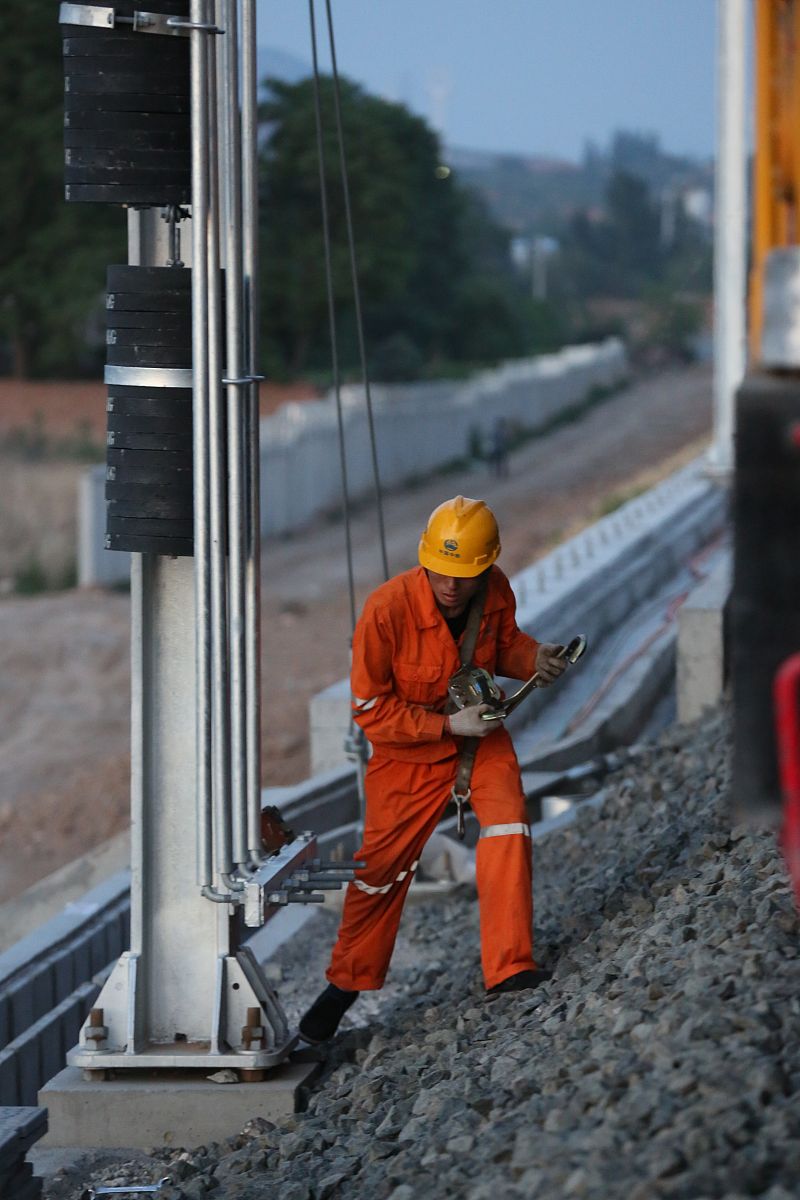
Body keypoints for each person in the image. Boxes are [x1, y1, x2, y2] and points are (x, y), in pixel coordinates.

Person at [298, 495, 567, 1044]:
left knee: (510, 823)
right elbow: (370, 711)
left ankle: (510, 966)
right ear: (425, 560)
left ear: (486, 567)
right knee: (380, 873)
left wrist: (534, 658)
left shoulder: (494, 591)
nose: (451, 585)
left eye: (464, 575)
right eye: (442, 572)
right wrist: (446, 728)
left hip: (481, 742)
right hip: (408, 755)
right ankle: (345, 986)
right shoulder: (386, 610)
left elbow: (505, 644)